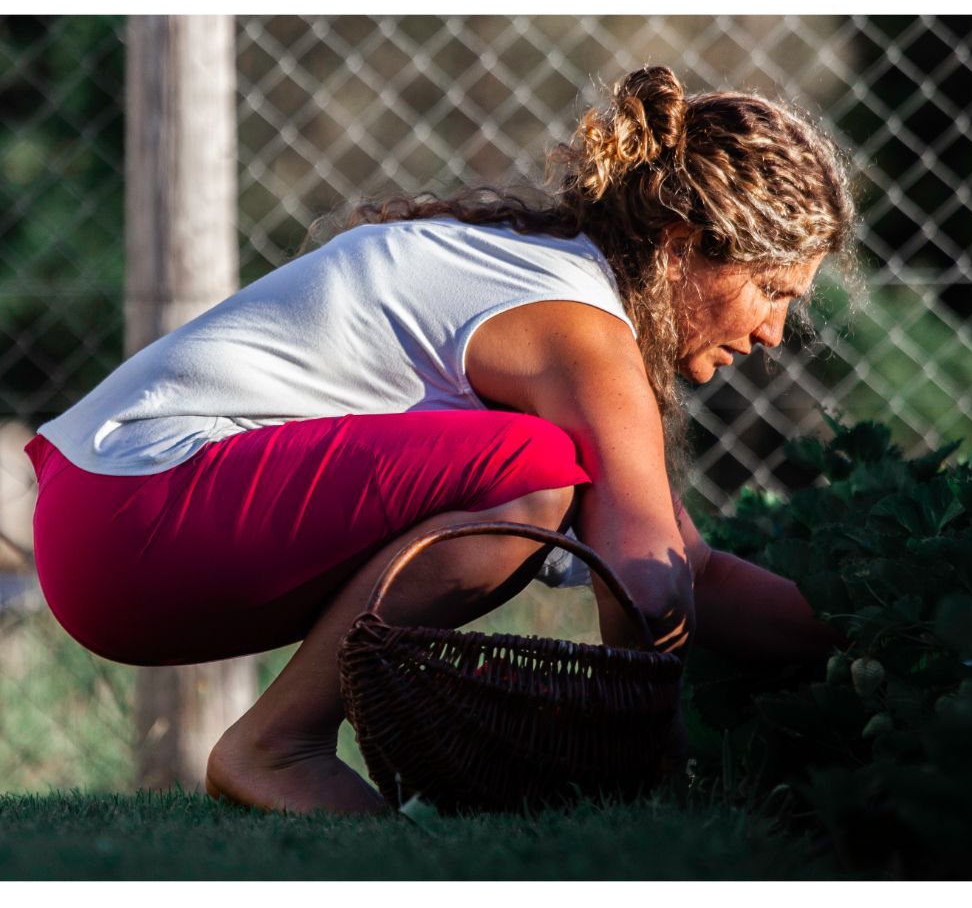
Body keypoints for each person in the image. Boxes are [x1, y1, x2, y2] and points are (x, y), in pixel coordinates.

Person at [24, 65, 855, 815]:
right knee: (531, 475)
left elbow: (685, 565)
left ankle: (277, 743)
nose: (776, 330)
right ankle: (277, 746)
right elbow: (652, 590)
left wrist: (875, 643)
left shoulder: (553, 284)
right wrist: (659, 776)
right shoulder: (579, 329)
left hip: (103, 515)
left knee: (537, 471)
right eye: (771, 288)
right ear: (680, 250)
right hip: (131, 514)